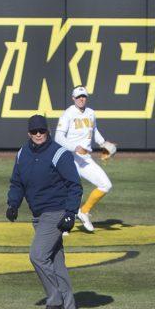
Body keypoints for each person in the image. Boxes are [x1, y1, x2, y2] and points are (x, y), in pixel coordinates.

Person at [7, 114, 84, 309]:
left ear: (47, 131)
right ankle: (70, 307)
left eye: (42, 130)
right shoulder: (23, 153)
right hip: (38, 215)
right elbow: (17, 182)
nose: (38, 134)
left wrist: (70, 213)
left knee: (38, 255)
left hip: (56, 212)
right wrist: (13, 204)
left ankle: (55, 301)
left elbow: (74, 186)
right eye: (34, 131)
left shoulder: (59, 154)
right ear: (28, 133)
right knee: (55, 261)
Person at [54, 86, 117, 233]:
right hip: (69, 158)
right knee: (74, 192)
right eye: (78, 97)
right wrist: (75, 147)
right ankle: (64, 227)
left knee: (105, 185)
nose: (81, 99)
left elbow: (94, 131)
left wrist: (103, 144)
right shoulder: (68, 114)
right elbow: (58, 137)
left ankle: (84, 211)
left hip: (84, 159)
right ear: (73, 98)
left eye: (83, 96)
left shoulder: (90, 113)